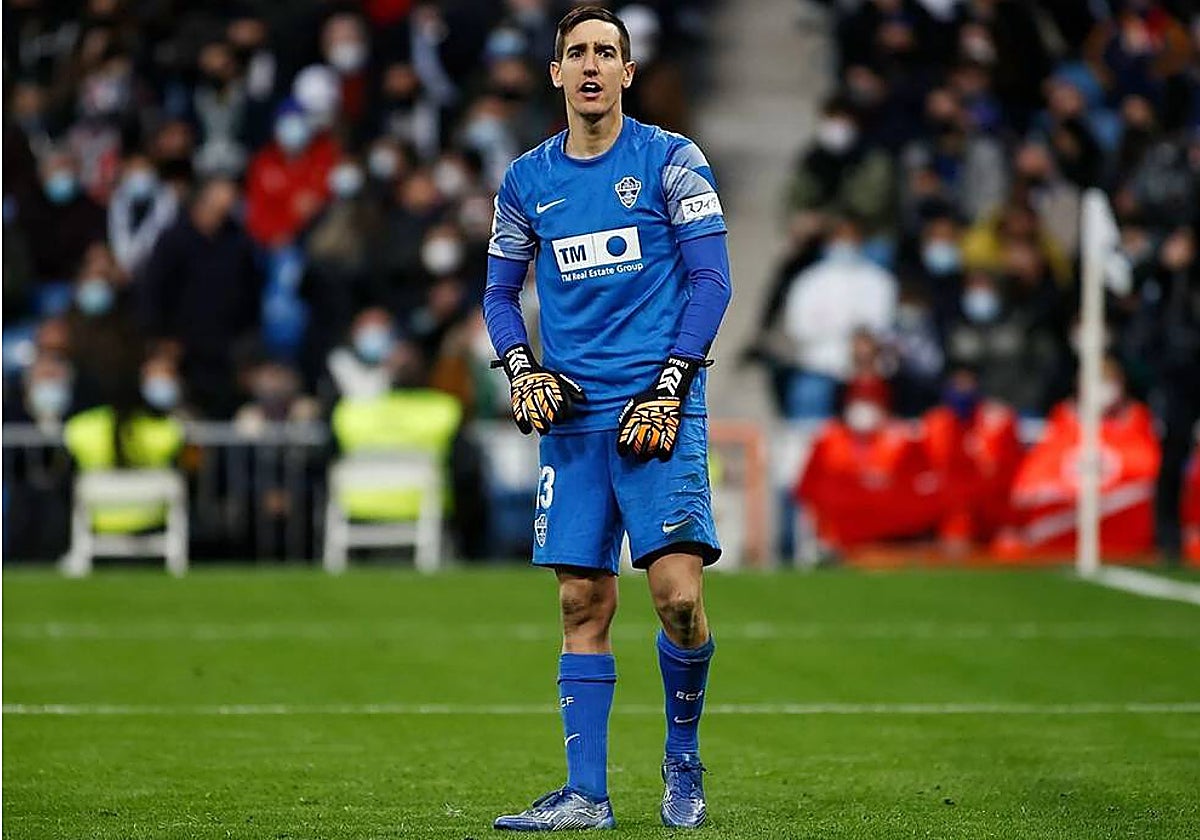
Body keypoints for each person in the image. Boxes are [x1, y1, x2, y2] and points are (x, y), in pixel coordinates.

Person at [482, 7, 732, 831]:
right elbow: (498, 292)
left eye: (607, 53)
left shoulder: (672, 162)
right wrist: (522, 369)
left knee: (677, 600)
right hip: (575, 418)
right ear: (556, 74)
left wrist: (669, 382)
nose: (592, 65)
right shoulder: (525, 181)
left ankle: (682, 760)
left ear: (628, 72)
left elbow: (712, 282)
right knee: (581, 604)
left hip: (658, 407)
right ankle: (586, 795)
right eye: (577, 53)